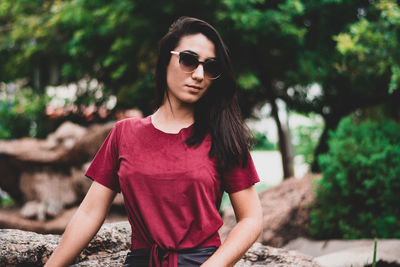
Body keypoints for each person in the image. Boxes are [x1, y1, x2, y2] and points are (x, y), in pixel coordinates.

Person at [45, 16, 262, 267]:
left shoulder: (224, 136)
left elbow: (251, 219)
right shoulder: (124, 133)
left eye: (210, 66)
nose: (199, 74)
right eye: (189, 60)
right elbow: (89, 213)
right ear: (165, 60)